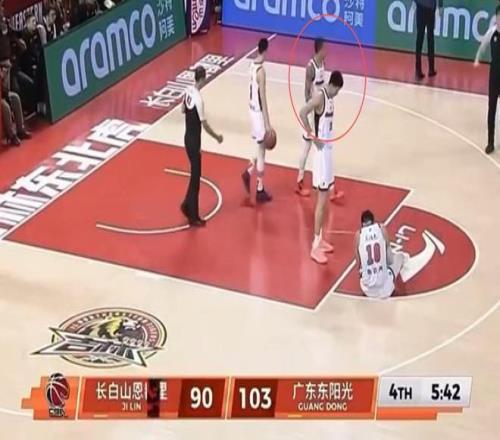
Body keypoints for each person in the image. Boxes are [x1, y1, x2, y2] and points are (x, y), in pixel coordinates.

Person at [299, 71, 344, 264]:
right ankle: (315, 246)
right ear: (332, 85)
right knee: (321, 200)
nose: (337, 94)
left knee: (325, 201)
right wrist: (311, 135)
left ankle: (321, 238)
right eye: (337, 90)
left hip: (328, 152)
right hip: (321, 155)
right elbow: (303, 112)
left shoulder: (330, 98)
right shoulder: (320, 97)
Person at [296, 38, 344, 203]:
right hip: (314, 110)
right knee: (308, 147)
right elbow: (306, 91)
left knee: (326, 148)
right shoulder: (310, 67)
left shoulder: (323, 64)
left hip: (321, 106)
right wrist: (311, 113)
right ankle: (300, 181)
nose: (327, 51)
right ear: (320, 49)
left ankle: (331, 187)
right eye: (326, 48)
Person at [181, 66, 223, 227]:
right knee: (195, 178)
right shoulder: (199, 100)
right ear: (203, 79)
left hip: (187, 138)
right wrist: (217, 137)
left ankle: (187, 205)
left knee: (194, 176)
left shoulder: (188, 91)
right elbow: (204, 125)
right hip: (194, 142)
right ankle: (193, 215)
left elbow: (183, 109)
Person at [241, 38, 273, 203]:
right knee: (262, 150)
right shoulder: (261, 71)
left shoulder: (252, 65)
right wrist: (267, 123)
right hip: (259, 113)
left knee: (259, 145)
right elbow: (263, 97)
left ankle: (249, 173)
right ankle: (259, 188)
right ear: (265, 50)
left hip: (251, 110)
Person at [354, 210, 408, 299]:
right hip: (385, 289)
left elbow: (358, 265)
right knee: (400, 257)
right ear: (373, 221)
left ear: (362, 223)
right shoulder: (381, 228)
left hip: (366, 289)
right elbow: (390, 260)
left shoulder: (358, 235)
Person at [474, 5, 500, 155]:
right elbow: (483, 46)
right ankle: (490, 142)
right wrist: (477, 58)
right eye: (499, 17)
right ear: (496, 18)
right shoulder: (491, 32)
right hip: (494, 77)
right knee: (492, 110)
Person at [1, 60, 31, 146]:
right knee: (6, 107)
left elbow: (5, 88)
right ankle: (11, 136)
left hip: (4, 94)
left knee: (15, 97)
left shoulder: (4, 69)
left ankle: (20, 130)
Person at [412, 0, 443, 80]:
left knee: (420, 37)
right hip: (430, 7)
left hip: (420, 5)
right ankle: (431, 69)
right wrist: (440, 5)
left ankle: (418, 70)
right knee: (430, 38)